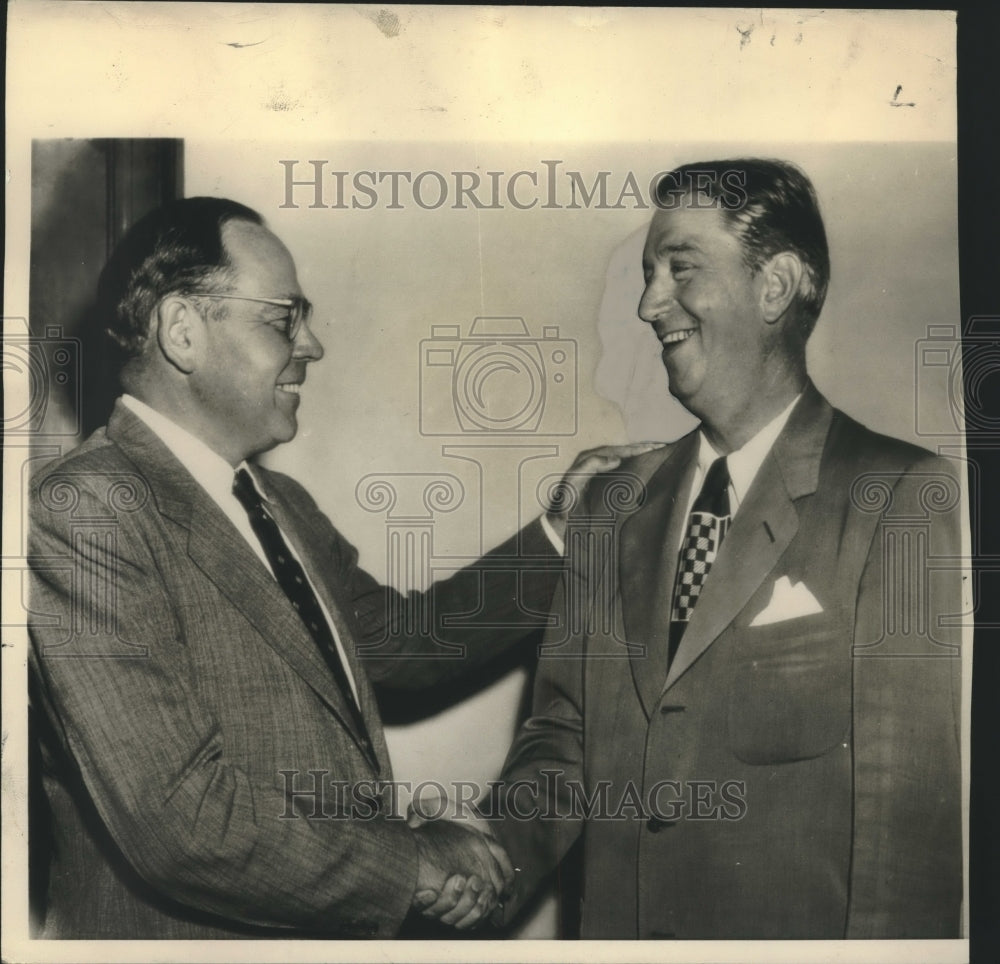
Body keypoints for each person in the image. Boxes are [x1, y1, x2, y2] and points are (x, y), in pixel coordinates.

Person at [26, 196, 652, 939]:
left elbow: (402, 642)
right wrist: (413, 863)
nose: (312, 345)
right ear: (182, 331)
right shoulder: (85, 509)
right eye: (282, 318)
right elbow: (178, 818)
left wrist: (560, 530)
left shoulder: (274, 500)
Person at [430, 158, 964, 939]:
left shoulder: (901, 495)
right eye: (648, 275)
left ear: (776, 285)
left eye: (680, 268)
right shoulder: (611, 504)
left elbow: (906, 819)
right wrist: (485, 856)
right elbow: (565, 739)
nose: (650, 303)